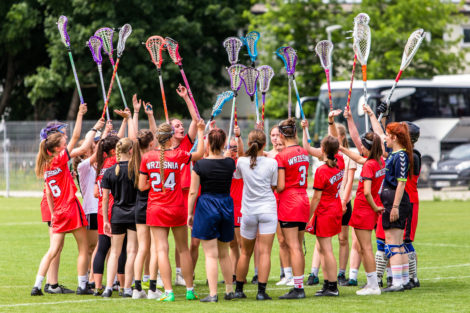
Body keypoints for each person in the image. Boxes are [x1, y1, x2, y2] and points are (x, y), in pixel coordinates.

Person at [31, 103, 104, 296]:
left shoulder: (44, 165)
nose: (66, 142)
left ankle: (37, 285)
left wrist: (54, 214)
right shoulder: (61, 158)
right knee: (82, 247)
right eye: (63, 142)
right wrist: (80, 116)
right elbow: (77, 137)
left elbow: (48, 192)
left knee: (53, 250)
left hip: (58, 213)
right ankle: (82, 286)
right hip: (70, 208)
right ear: (57, 148)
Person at [139, 121, 205, 302]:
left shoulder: (147, 157)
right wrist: (200, 132)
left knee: (161, 250)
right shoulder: (177, 154)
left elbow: (141, 185)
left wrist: (155, 185)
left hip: (156, 208)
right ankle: (190, 290)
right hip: (176, 207)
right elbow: (199, 154)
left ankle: (169, 292)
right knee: (183, 250)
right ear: (169, 139)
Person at [365, 105, 414, 292]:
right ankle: (400, 281)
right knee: (397, 244)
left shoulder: (401, 156)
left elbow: (401, 183)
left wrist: (394, 207)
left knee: (393, 244)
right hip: (392, 199)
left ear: (394, 138)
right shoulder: (395, 153)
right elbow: (378, 133)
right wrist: (371, 114)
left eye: (388, 135)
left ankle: (398, 283)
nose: (385, 138)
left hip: (395, 201)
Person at [188, 128, 236, 302]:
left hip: (207, 206)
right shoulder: (230, 163)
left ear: (208, 143)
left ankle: (213, 293)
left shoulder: (200, 165)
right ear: (224, 143)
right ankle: (229, 290)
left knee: (210, 254)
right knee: (224, 252)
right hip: (226, 205)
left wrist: (189, 213)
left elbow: (193, 192)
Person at [233, 129, 278, 300]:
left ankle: (239, 290)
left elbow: (237, 175)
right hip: (267, 209)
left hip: (249, 211)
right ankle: (261, 292)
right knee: (265, 252)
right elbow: (274, 186)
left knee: (245, 252)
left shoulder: (241, 162)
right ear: (264, 145)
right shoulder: (271, 162)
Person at [339, 131, 386, 295]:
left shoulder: (369, 165)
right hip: (369, 210)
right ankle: (371, 283)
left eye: (362, 148)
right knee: (364, 248)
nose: (361, 150)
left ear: (368, 148)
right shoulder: (379, 161)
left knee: (365, 249)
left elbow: (366, 192)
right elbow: (358, 159)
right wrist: (342, 149)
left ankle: (373, 286)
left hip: (364, 209)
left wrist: (374, 207)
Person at [275, 118, 310, 299]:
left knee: (293, 246)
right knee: (298, 245)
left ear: (281, 134)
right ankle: (298, 284)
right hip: (304, 199)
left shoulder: (281, 156)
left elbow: (280, 186)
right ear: (295, 132)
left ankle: (298, 289)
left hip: (289, 201)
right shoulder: (303, 152)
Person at [38, 122, 74, 294]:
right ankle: (51, 284)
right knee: (55, 247)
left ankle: (53, 283)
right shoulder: (54, 158)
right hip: (52, 206)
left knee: (57, 247)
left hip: (54, 205)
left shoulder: (52, 158)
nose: (66, 137)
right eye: (63, 134)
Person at [101, 136, 139, 298]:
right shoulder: (136, 170)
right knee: (131, 251)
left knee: (114, 252)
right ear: (130, 151)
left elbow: (104, 199)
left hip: (116, 214)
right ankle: (127, 289)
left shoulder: (110, 171)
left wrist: (105, 220)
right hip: (134, 214)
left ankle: (108, 287)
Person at [307, 135, 344, 297]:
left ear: (322, 150)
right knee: (322, 249)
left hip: (326, 212)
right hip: (333, 209)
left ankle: (333, 286)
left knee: (326, 250)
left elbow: (316, 197)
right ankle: (327, 283)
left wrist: (307, 216)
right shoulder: (337, 166)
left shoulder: (322, 170)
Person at [129, 95, 158, 299]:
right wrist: (150, 116)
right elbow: (155, 135)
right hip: (153, 204)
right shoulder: (152, 156)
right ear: (151, 144)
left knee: (142, 248)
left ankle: (137, 288)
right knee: (156, 248)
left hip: (138, 206)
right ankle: (153, 289)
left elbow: (135, 138)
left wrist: (137, 112)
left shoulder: (134, 158)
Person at [228, 127, 244, 284]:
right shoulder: (225, 162)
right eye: (230, 148)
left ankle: (240, 274)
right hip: (228, 207)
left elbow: (244, 154)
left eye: (234, 148)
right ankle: (233, 274)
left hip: (240, 206)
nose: (232, 151)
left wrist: (239, 138)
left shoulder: (241, 162)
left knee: (240, 243)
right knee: (231, 243)